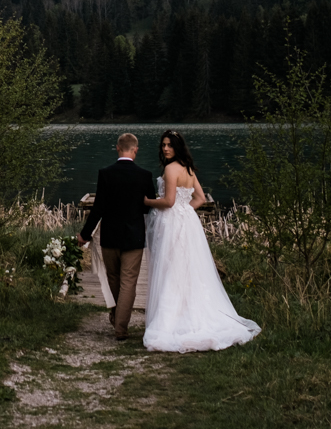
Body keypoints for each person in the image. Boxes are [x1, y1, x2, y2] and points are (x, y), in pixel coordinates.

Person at [141, 129, 261, 352]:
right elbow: (200, 198)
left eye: (169, 145)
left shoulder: (170, 169)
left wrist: (148, 202)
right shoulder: (188, 169)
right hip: (188, 222)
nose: (165, 148)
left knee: (171, 267)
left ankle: (172, 320)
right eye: (163, 145)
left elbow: (168, 201)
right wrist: (185, 210)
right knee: (187, 267)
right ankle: (190, 311)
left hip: (172, 223)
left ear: (177, 147)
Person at [77, 133, 156, 341]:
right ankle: (121, 327)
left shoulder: (105, 173)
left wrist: (85, 234)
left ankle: (116, 316)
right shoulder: (145, 175)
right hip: (134, 237)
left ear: (117, 148)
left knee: (114, 278)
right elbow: (149, 207)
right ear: (136, 150)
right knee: (128, 282)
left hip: (110, 236)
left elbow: (98, 208)